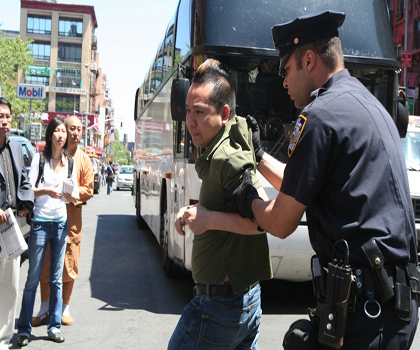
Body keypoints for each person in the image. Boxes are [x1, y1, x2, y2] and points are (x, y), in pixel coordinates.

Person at [226, 10, 418, 350]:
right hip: (390, 307)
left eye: (286, 70)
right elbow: (304, 182)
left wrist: (247, 199)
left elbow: (283, 221)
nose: (283, 83)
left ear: (309, 60)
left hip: (366, 313)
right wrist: (258, 157)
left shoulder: (319, 115)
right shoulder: (366, 105)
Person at [168, 59, 272, 349]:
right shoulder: (226, 145)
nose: (190, 121)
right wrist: (195, 214)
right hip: (240, 299)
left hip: (222, 304)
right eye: (188, 111)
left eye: (199, 112)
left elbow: (263, 220)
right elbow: (230, 205)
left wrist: (209, 220)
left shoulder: (228, 157)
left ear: (224, 113)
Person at [16, 117, 79, 346]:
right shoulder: (39, 159)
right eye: (58, 131)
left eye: (64, 132)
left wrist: (72, 196)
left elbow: (73, 192)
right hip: (41, 224)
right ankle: (24, 329)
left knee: (56, 280)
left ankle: (54, 326)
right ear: (50, 134)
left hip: (60, 224)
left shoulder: (69, 162)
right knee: (33, 278)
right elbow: (29, 190)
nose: (61, 135)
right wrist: (47, 191)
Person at [32, 115, 94, 327]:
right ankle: (44, 308)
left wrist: (73, 193)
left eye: (78, 129)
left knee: (69, 265)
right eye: (71, 128)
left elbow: (89, 188)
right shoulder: (51, 156)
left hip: (71, 220)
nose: (75, 132)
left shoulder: (84, 160)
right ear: (63, 131)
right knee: (45, 264)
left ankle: (64, 307)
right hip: (48, 218)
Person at [0, 97, 34, 350]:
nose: (4, 121)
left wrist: (25, 205)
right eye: (0, 116)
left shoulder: (14, 146)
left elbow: (24, 180)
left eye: (7, 117)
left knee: (10, 285)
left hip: (10, 225)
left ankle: (3, 339)